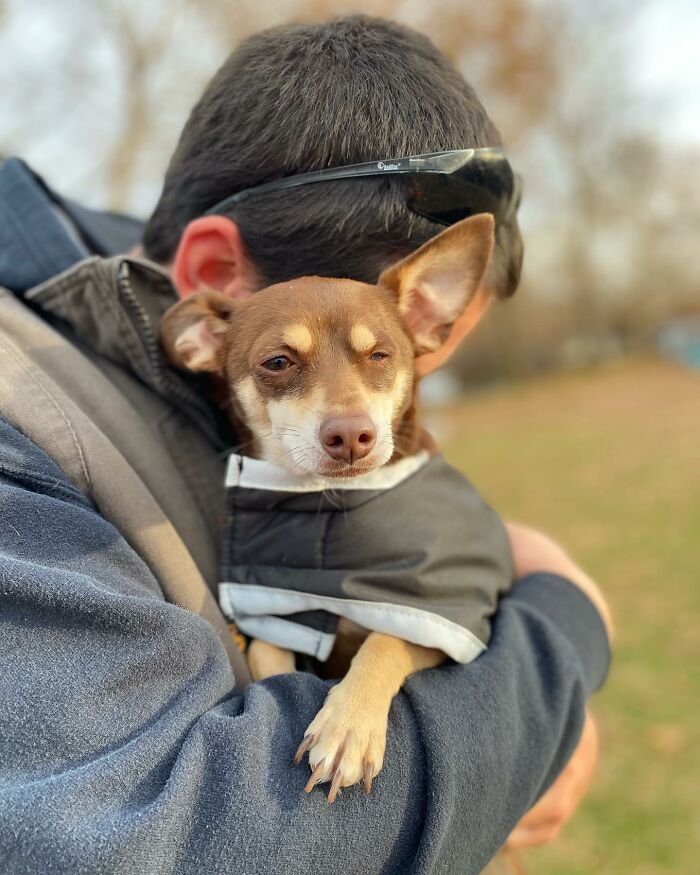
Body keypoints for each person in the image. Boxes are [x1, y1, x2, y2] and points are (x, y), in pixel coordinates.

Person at [0, 15, 611, 875]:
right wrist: (562, 629)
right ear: (213, 284)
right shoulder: (21, 440)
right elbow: (163, 837)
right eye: (288, 362)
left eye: (399, 362)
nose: (362, 421)